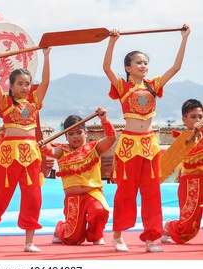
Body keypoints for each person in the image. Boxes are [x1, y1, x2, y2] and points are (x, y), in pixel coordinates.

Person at [103, 24, 190, 252]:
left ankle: (151, 238)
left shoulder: (153, 85)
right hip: (130, 145)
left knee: (152, 192)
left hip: (149, 145)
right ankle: (118, 235)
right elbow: (106, 68)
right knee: (125, 191)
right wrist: (112, 42)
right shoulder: (122, 86)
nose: (144, 66)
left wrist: (184, 38)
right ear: (128, 68)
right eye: (139, 62)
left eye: (145, 63)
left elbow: (177, 67)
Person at [0, 47, 51, 252]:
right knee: (0, 195)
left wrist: (46, 56)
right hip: (9, 155)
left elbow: (45, 83)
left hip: (31, 155)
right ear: (12, 86)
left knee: (33, 197)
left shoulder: (34, 101)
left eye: (27, 84)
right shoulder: (6, 102)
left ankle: (29, 242)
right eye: (20, 84)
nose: (24, 87)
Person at [39, 108, 116, 245]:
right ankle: (61, 227)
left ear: (85, 133)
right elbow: (50, 151)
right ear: (66, 136)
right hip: (73, 198)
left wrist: (104, 120)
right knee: (73, 239)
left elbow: (111, 138)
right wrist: (43, 148)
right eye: (71, 134)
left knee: (100, 210)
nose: (75, 137)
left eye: (79, 132)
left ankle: (95, 235)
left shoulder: (94, 148)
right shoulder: (62, 151)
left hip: (92, 193)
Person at [161, 99, 203, 244]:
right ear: (184, 119)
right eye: (193, 117)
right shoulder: (182, 139)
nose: (198, 120)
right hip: (191, 184)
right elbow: (192, 153)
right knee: (187, 230)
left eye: (200, 117)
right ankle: (168, 226)